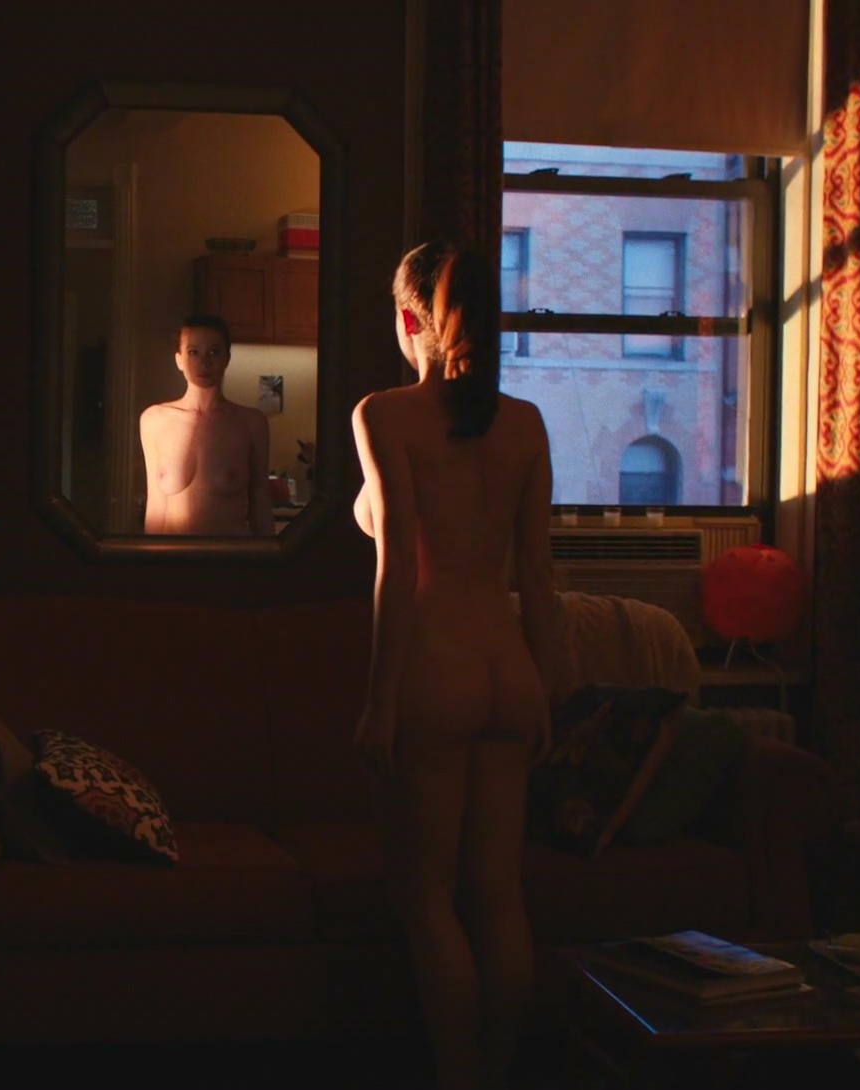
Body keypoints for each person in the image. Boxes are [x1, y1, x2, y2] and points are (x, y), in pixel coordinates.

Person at [351, 242, 570, 1089]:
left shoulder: (385, 414)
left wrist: (380, 703)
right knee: (499, 895)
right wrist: (552, 690)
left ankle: (458, 1076)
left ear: (412, 322)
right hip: (508, 673)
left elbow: (398, 566)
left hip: (436, 674)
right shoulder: (527, 423)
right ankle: (499, 1073)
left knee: (427, 898)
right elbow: (539, 580)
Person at [138, 315, 273, 535]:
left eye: (214, 352)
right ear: (179, 360)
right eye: (194, 352)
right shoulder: (154, 420)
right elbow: (155, 508)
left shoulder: (251, 423)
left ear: (227, 358)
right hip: (172, 553)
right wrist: (147, 555)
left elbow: (261, 503)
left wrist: (269, 555)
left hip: (230, 553)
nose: (204, 362)